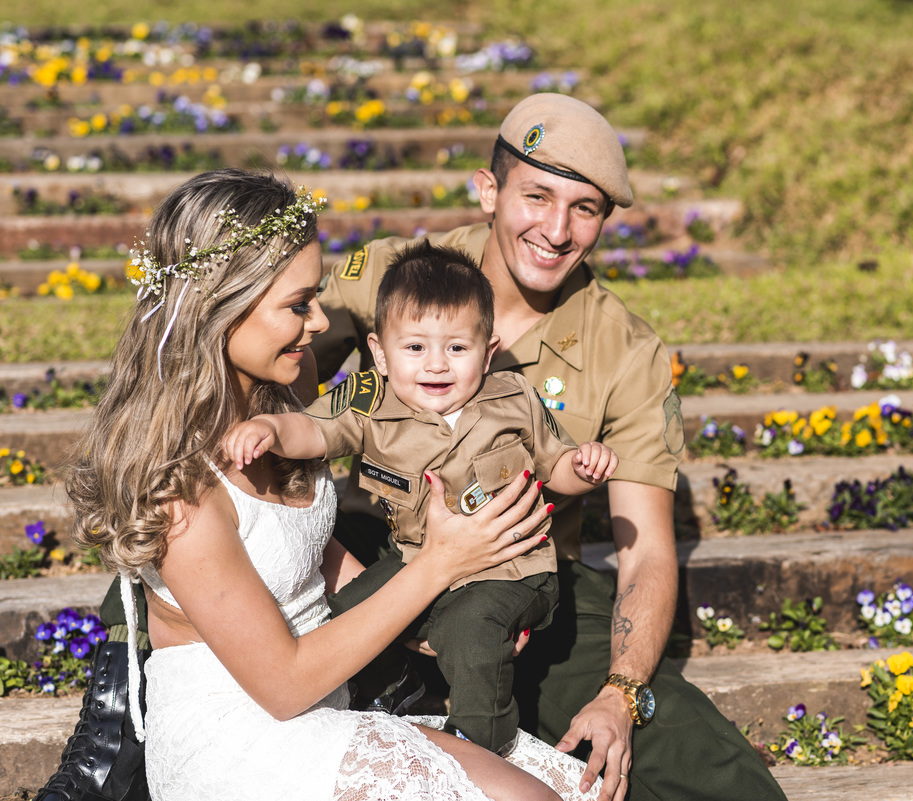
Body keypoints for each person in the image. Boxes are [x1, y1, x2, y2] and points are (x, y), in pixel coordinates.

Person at [57, 168, 605, 801]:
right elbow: (283, 686)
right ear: (221, 309)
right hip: (244, 733)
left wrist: (438, 618)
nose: (320, 321)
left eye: (316, 296)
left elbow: (305, 549)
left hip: (328, 695)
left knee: (567, 788)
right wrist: (439, 565)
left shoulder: (291, 387)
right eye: (297, 306)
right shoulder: (179, 491)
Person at [312, 93, 787, 801]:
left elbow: (648, 549)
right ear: (489, 190)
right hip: (372, 548)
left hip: (525, 585)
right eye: (536, 196)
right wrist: (348, 577)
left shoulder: (626, 352)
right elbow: (265, 389)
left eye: (585, 208)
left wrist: (621, 695)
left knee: (720, 776)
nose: (556, 229)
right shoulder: (391, 274)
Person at [222, 240, 619, 755]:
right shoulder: (369, 402)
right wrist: (271, 428)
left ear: (488, 351)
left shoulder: (513, 400)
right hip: (416, 562)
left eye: (457, 348)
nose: (436, 365)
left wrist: (584, 470)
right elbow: (314, 432)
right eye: (415, 348)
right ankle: (393, 696)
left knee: (471, 629)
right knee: (348, 610)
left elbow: (556, 464)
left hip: (509, 568)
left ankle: (483, 744)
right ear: (381, 353)